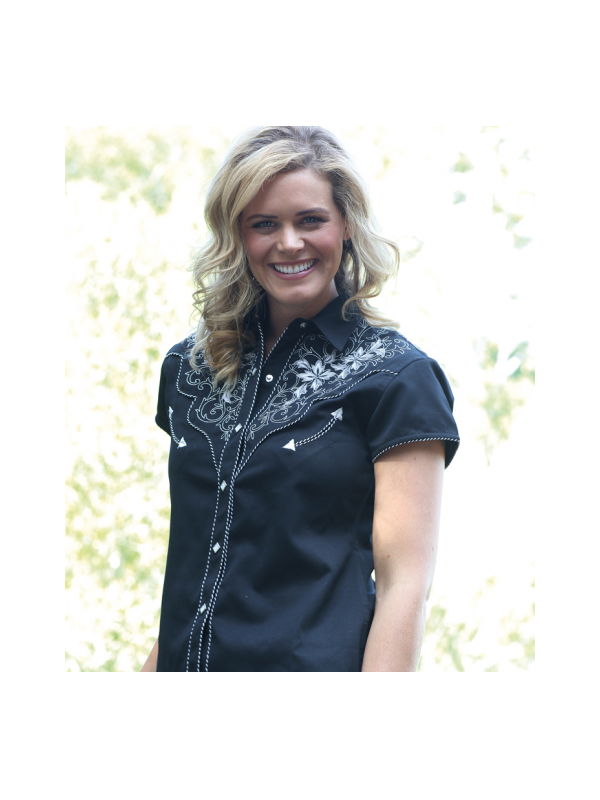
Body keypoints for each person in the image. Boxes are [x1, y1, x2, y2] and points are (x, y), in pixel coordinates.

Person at [140, 126, 459, 673]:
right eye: (264, 224)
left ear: (347, 226)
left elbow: (405, 585)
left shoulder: (398, 378)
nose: (289, 243)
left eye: (310, 220)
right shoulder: (188, 370)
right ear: (237, 236)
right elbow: (198, 568)